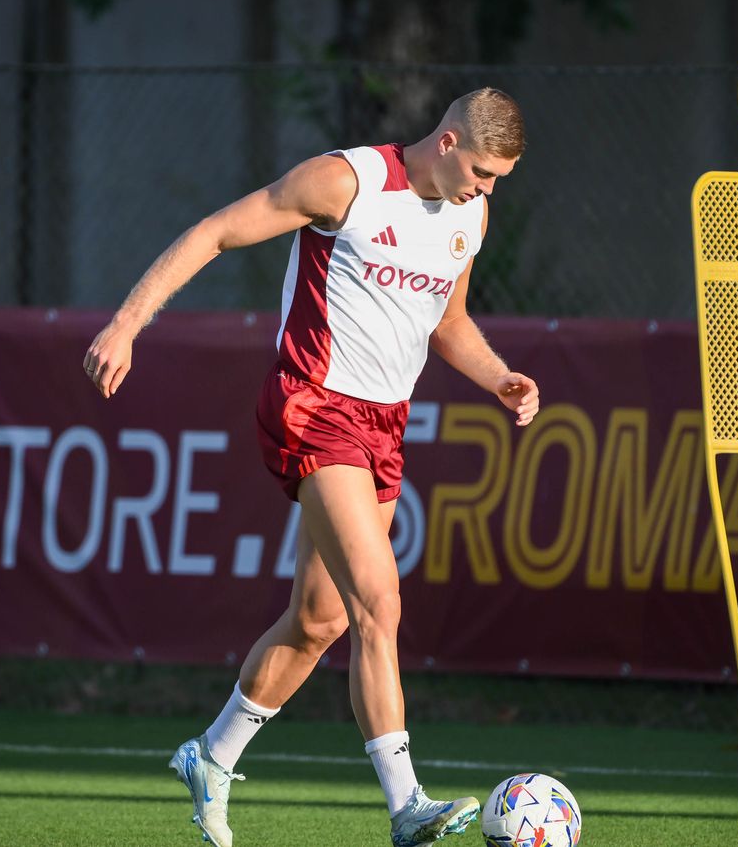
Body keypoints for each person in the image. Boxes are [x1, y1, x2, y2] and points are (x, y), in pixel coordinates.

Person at [82, 88, 538, 847]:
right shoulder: (347, 181)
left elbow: (450, 321)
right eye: (483, 173)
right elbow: (215, 232)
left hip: (384, 424)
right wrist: (128, 323)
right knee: (378, 601)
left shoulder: (471, 215)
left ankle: (211, 755)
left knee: (321, 619)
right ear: (449, 142)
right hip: (313, 404)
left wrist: (498, 378)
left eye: (498, 180)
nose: (487, 190)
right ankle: (406, 806)